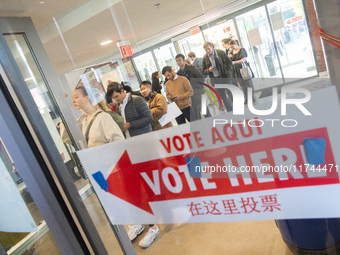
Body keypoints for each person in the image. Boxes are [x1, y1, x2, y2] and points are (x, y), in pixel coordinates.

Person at [107, 82, 158, 248]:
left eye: (116, 96)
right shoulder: (120, 106)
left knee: (149, 180)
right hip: (131, 149)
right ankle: (141, 222)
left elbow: (149, 118)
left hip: (144, 146)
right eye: (113, 98)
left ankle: (156, 213)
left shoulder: (136, 100)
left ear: (122, 91)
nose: (116, 99)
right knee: (136, 186)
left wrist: (130, 125)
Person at [202, 42, 233, 112]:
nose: (207, 51)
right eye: (205, 50)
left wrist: (228, 73)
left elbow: (229, 63)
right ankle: (230, 111)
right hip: (215, 79)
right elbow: (203, 70)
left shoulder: (220, 53)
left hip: (225, 77)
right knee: (223, 96)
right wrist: (209, 70)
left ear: (212, 47)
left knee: (230, 93)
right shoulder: (205, 58)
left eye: (208, 49)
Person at [176, 53, 209, 119]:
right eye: (177, 61)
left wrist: (192, 84)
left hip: (199, 93)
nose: (178, 62)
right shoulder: (178, 74)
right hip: (190, 97)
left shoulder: (192, 68)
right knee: (196, 116)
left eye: (180, 60)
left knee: (206, 113)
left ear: (184, 60)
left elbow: (201, 79)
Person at [229, 40, 255, 104]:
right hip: (237, 70)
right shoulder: (231, 52)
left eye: (232, 46)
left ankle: (251, 98)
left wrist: (234, 62)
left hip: (243, 68)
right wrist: (229, 57)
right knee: (242, 85)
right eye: (231, 47)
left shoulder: (241, 50)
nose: (232, 48)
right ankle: (246, 98)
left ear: (235, 44)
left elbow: (243, 60)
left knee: (248, 84)